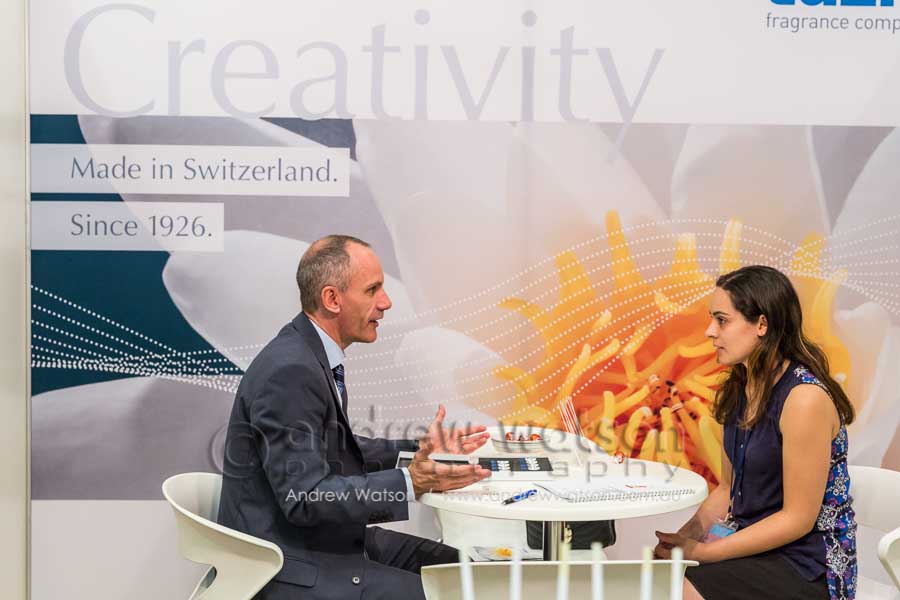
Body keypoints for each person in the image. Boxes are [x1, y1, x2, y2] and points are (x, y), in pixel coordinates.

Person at [217, 234, 492, 600]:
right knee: (462, 592)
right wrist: (410, 482)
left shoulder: (307, 353)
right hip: (294, 568)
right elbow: (306, 498)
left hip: (324, 543)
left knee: (471, 574)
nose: (386, 302)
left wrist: (420, 447)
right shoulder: (290, 371)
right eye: (373, 290)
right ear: (332, 299)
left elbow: (334, 447)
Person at [653, 265, 857, 600]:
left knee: (680, 589)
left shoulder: (804, 399)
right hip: (750, 547)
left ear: (762, 324)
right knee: (656, 576)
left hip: (807, 564)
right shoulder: (739, 388)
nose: (709, 332)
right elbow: (727, 489)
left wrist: (704, 553)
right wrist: (684, 539)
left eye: (722, 320)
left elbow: (797, 520)